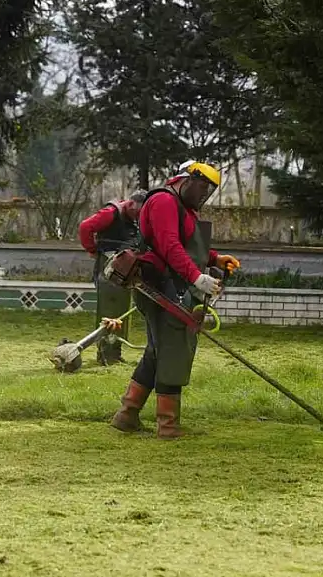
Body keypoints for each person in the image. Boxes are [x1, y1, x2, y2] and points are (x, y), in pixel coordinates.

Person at [110, 161, 241, 439]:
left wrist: (215, 258)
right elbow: (169, 245)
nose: (204, 194)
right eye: (201, 186)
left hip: (174, 283)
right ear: (185, 180)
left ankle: (127, 414)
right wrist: (197, 277)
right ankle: (167, 426)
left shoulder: (184, 209)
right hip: (161, 284)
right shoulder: (163, 202)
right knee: (174, 349)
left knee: (158, 351)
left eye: (209, 189)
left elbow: (188, 245)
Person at [78, 190, 148, 364]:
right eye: (137, 212)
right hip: (108, 268)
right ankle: (105, 354)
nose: (138, 217)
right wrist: (92, 250)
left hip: (125, 270)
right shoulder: (111, 213)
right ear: (131, 204)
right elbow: (85, 227)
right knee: (108, 309)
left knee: (121, 311)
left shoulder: (132, 218)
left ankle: (114, 353)